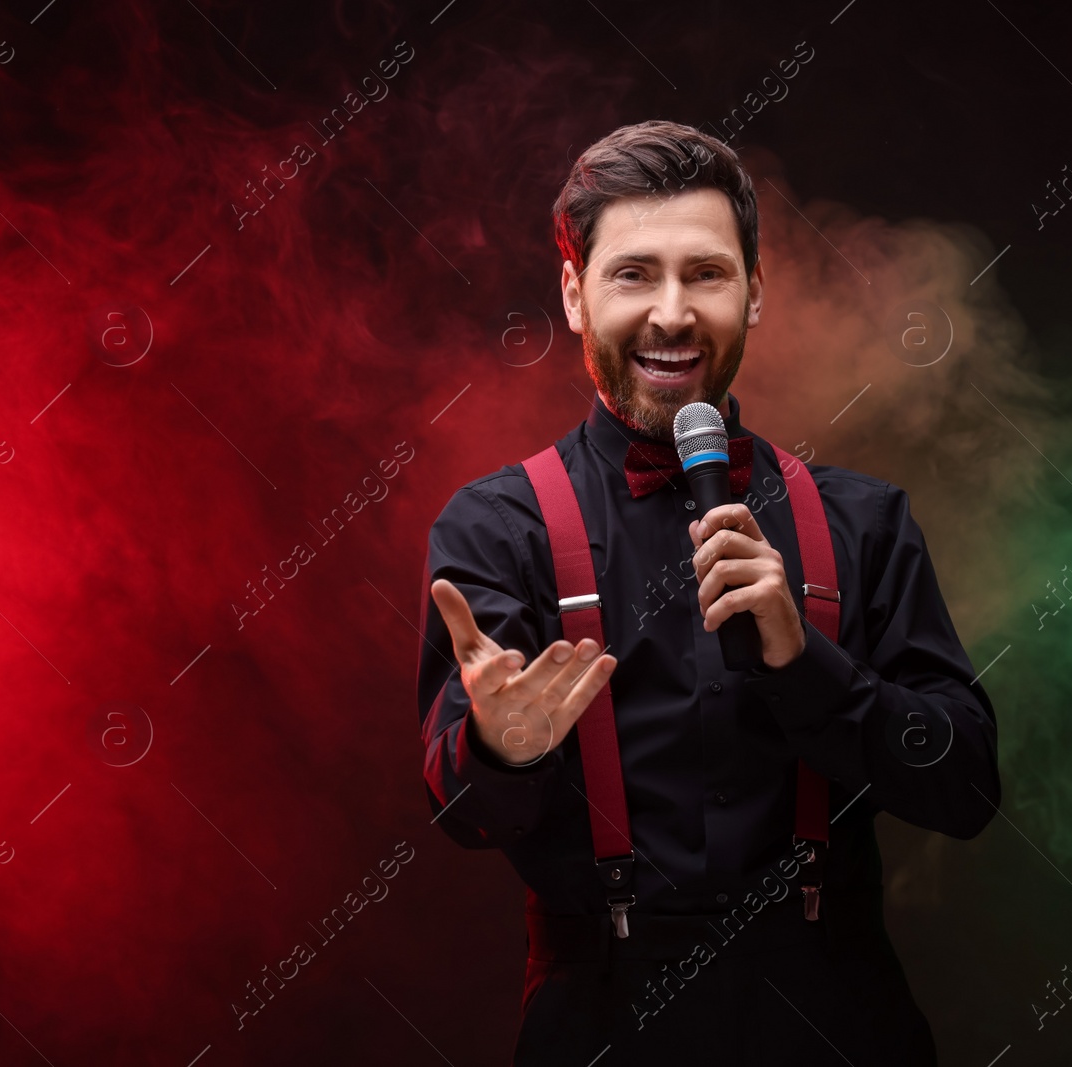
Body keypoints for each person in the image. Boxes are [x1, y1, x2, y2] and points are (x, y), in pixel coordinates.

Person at [415, 119, 1001, 1066]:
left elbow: (967, 786)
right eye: (634, 273)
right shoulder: (495, 529)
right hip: (602, 1022)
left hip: (838, 1019)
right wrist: (499, 749)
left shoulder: (867, 521)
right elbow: (466, 817)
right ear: (574, 295)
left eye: (708, 273)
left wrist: (803, 663)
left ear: (755, 293)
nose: (674, 313)